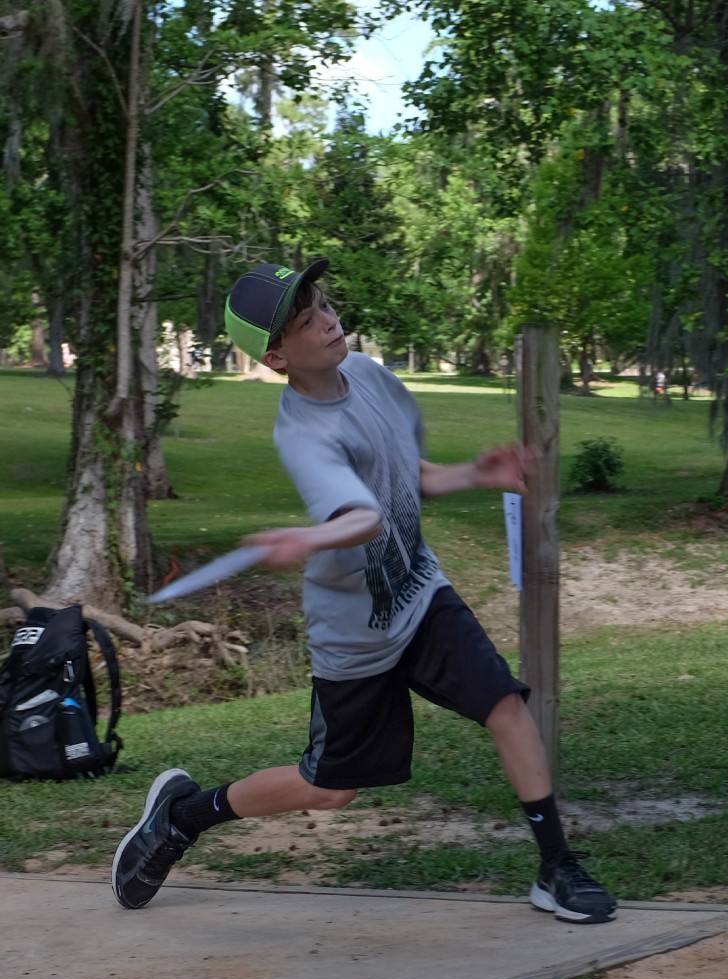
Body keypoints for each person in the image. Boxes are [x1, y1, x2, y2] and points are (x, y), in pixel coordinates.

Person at [112, 259, 616, 924]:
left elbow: (404, 474)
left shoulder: (372, 376)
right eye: (306, 321)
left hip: (419, 592)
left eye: (324, 306)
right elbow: (363, 518)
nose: (328, 322)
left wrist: (472, 472)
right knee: (331, 789)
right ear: (275, 357)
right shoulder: (304, 433)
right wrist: (310, 537)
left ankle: (557, 867)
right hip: (357, 633)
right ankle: (182, 817)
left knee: (505, 706)